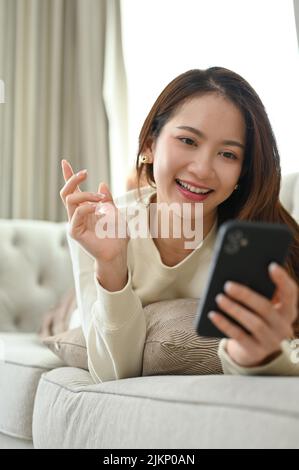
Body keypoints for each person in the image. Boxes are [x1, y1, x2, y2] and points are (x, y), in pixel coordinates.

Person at [60, 67, 299, 383]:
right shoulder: (104, 225)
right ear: (149, 145)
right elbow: (112, 374)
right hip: (73, 308)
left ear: (243, 172)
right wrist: (111, 264)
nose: (202, 169)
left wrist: (257, 354)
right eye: (188, 140)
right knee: (65, 320)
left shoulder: (254, 241)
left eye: (227, 154)